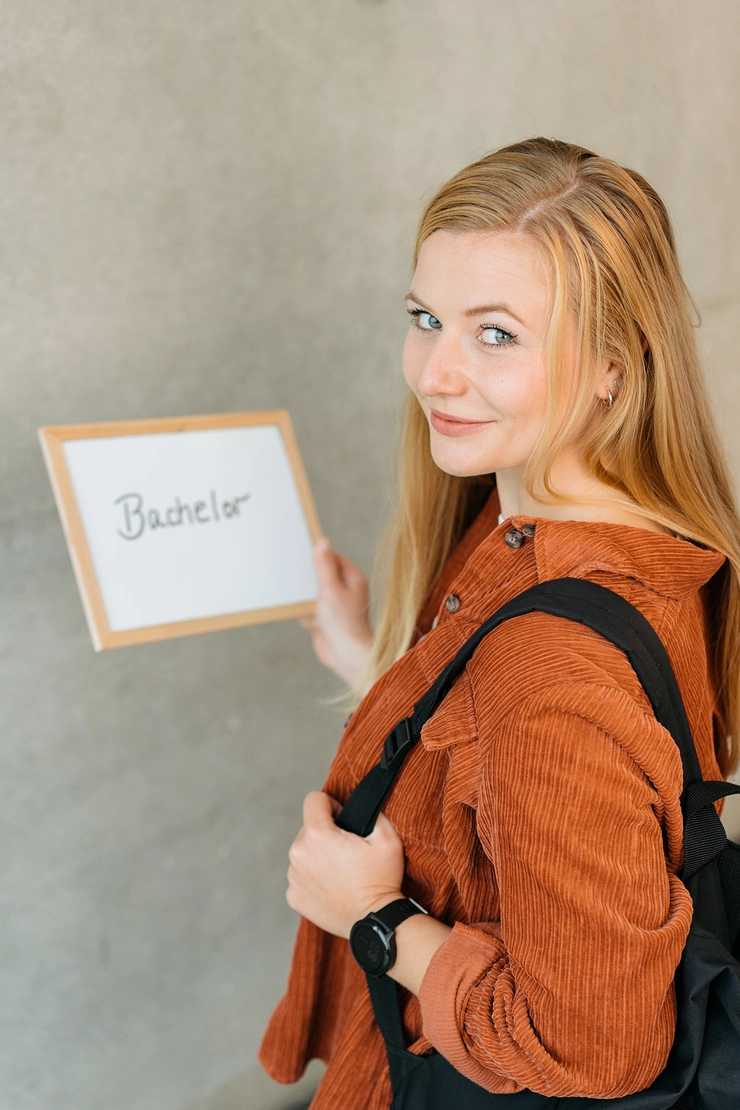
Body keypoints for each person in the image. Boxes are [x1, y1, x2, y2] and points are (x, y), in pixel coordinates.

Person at [259, 138, 740, 1108]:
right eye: (425, 318)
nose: (433, 373)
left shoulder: (547, 672)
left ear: (612, 364)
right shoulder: (611, 533)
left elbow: (598, 1048)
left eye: (495, 334)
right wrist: (385, 669)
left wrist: (372, 915)